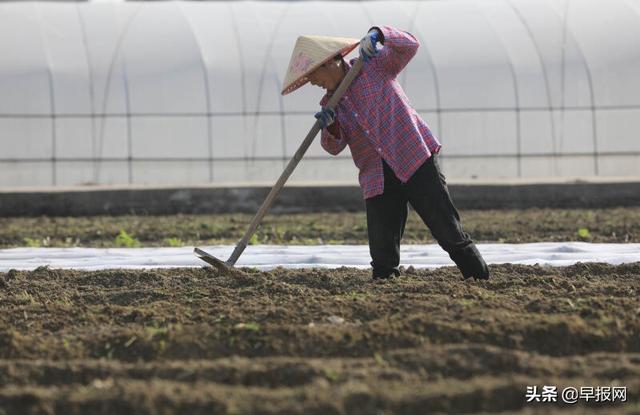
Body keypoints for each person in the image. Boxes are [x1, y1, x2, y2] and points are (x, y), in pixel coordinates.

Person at [281, 26, 490, 281]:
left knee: (449, 232)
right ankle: (386, 291)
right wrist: (332, 125)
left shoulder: (372, 67)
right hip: (377, 176)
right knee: (382, 254)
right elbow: (333, 147)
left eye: (312, 75)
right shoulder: (330, 104)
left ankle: (480, 279)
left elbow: (410, 45)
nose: (313, 82)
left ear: (329, 62)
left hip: (414, 159)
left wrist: (379, 34)